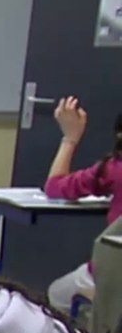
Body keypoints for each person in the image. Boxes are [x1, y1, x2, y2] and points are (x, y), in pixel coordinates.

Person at [43, 96, 122, 314]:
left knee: (56, 294)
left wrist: (70, 138)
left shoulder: (114, 169)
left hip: (113, 275)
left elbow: (55, 187)